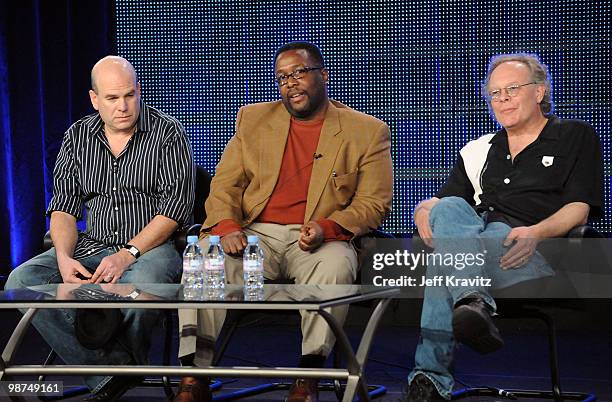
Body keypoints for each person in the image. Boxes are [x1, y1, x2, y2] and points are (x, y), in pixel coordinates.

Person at [174, 42, 393, 402]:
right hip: (253, 234)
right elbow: (225, 183)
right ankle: (194, 376)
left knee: (336, 263)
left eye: (299, 73)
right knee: (202, 257)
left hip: (320, 237)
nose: (290, 83)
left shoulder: (366, 131)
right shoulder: (254, 118)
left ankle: (308, 375)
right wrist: (226, 225)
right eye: (282, 77)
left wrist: (330, 227)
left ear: (322, 75)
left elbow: (375, 201)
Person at [402, 53, 603, 401]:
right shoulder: (480, 149)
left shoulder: (574, 135)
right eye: (495, 93)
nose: (503, 99)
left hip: (535, 251)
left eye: (512, 89)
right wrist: (423, 210)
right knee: (449, 208)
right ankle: (473, 301)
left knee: (444, 264)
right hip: (480, 246)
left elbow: (580, 208)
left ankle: (429, 382)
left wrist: (537, 231)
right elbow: (442, 202)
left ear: (539, 92)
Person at [5, 56, 195, 401]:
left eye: (129, 95)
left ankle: (110, 372)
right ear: (95, 99)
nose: (123, 106)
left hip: (150, 247)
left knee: (139, 291)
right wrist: (63, 257)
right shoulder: (78, 136)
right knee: (21, 281)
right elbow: (63, 206)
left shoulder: (168, 132)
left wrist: (127, 254)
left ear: (139, 91)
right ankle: (114, 368)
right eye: (112, 98)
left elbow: (174, 210)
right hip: (91, 244)